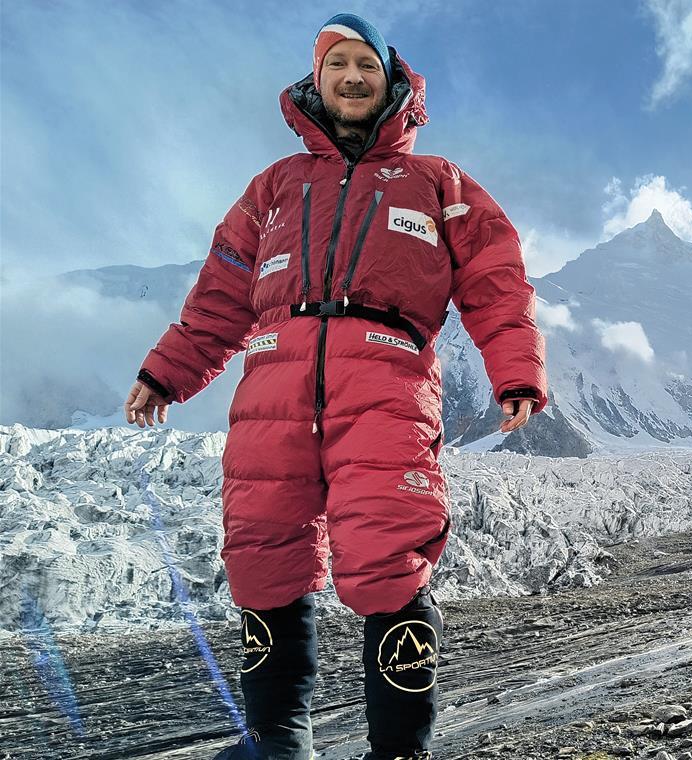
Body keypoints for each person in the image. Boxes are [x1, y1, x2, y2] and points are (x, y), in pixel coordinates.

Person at [124, 13, 548, 759]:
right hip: (271, 387)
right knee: (262, 554)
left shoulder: (437, 182)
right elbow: (220, 297)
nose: (353, 77)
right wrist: (165, 371)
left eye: (367, 65)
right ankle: (277, 742)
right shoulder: (276, 188)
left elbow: (495, 278)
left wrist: (515, 370)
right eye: (338, 64)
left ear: (394, 84)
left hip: (387, 378)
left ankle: (398, 750)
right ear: (314, 83)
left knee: (389, 555)